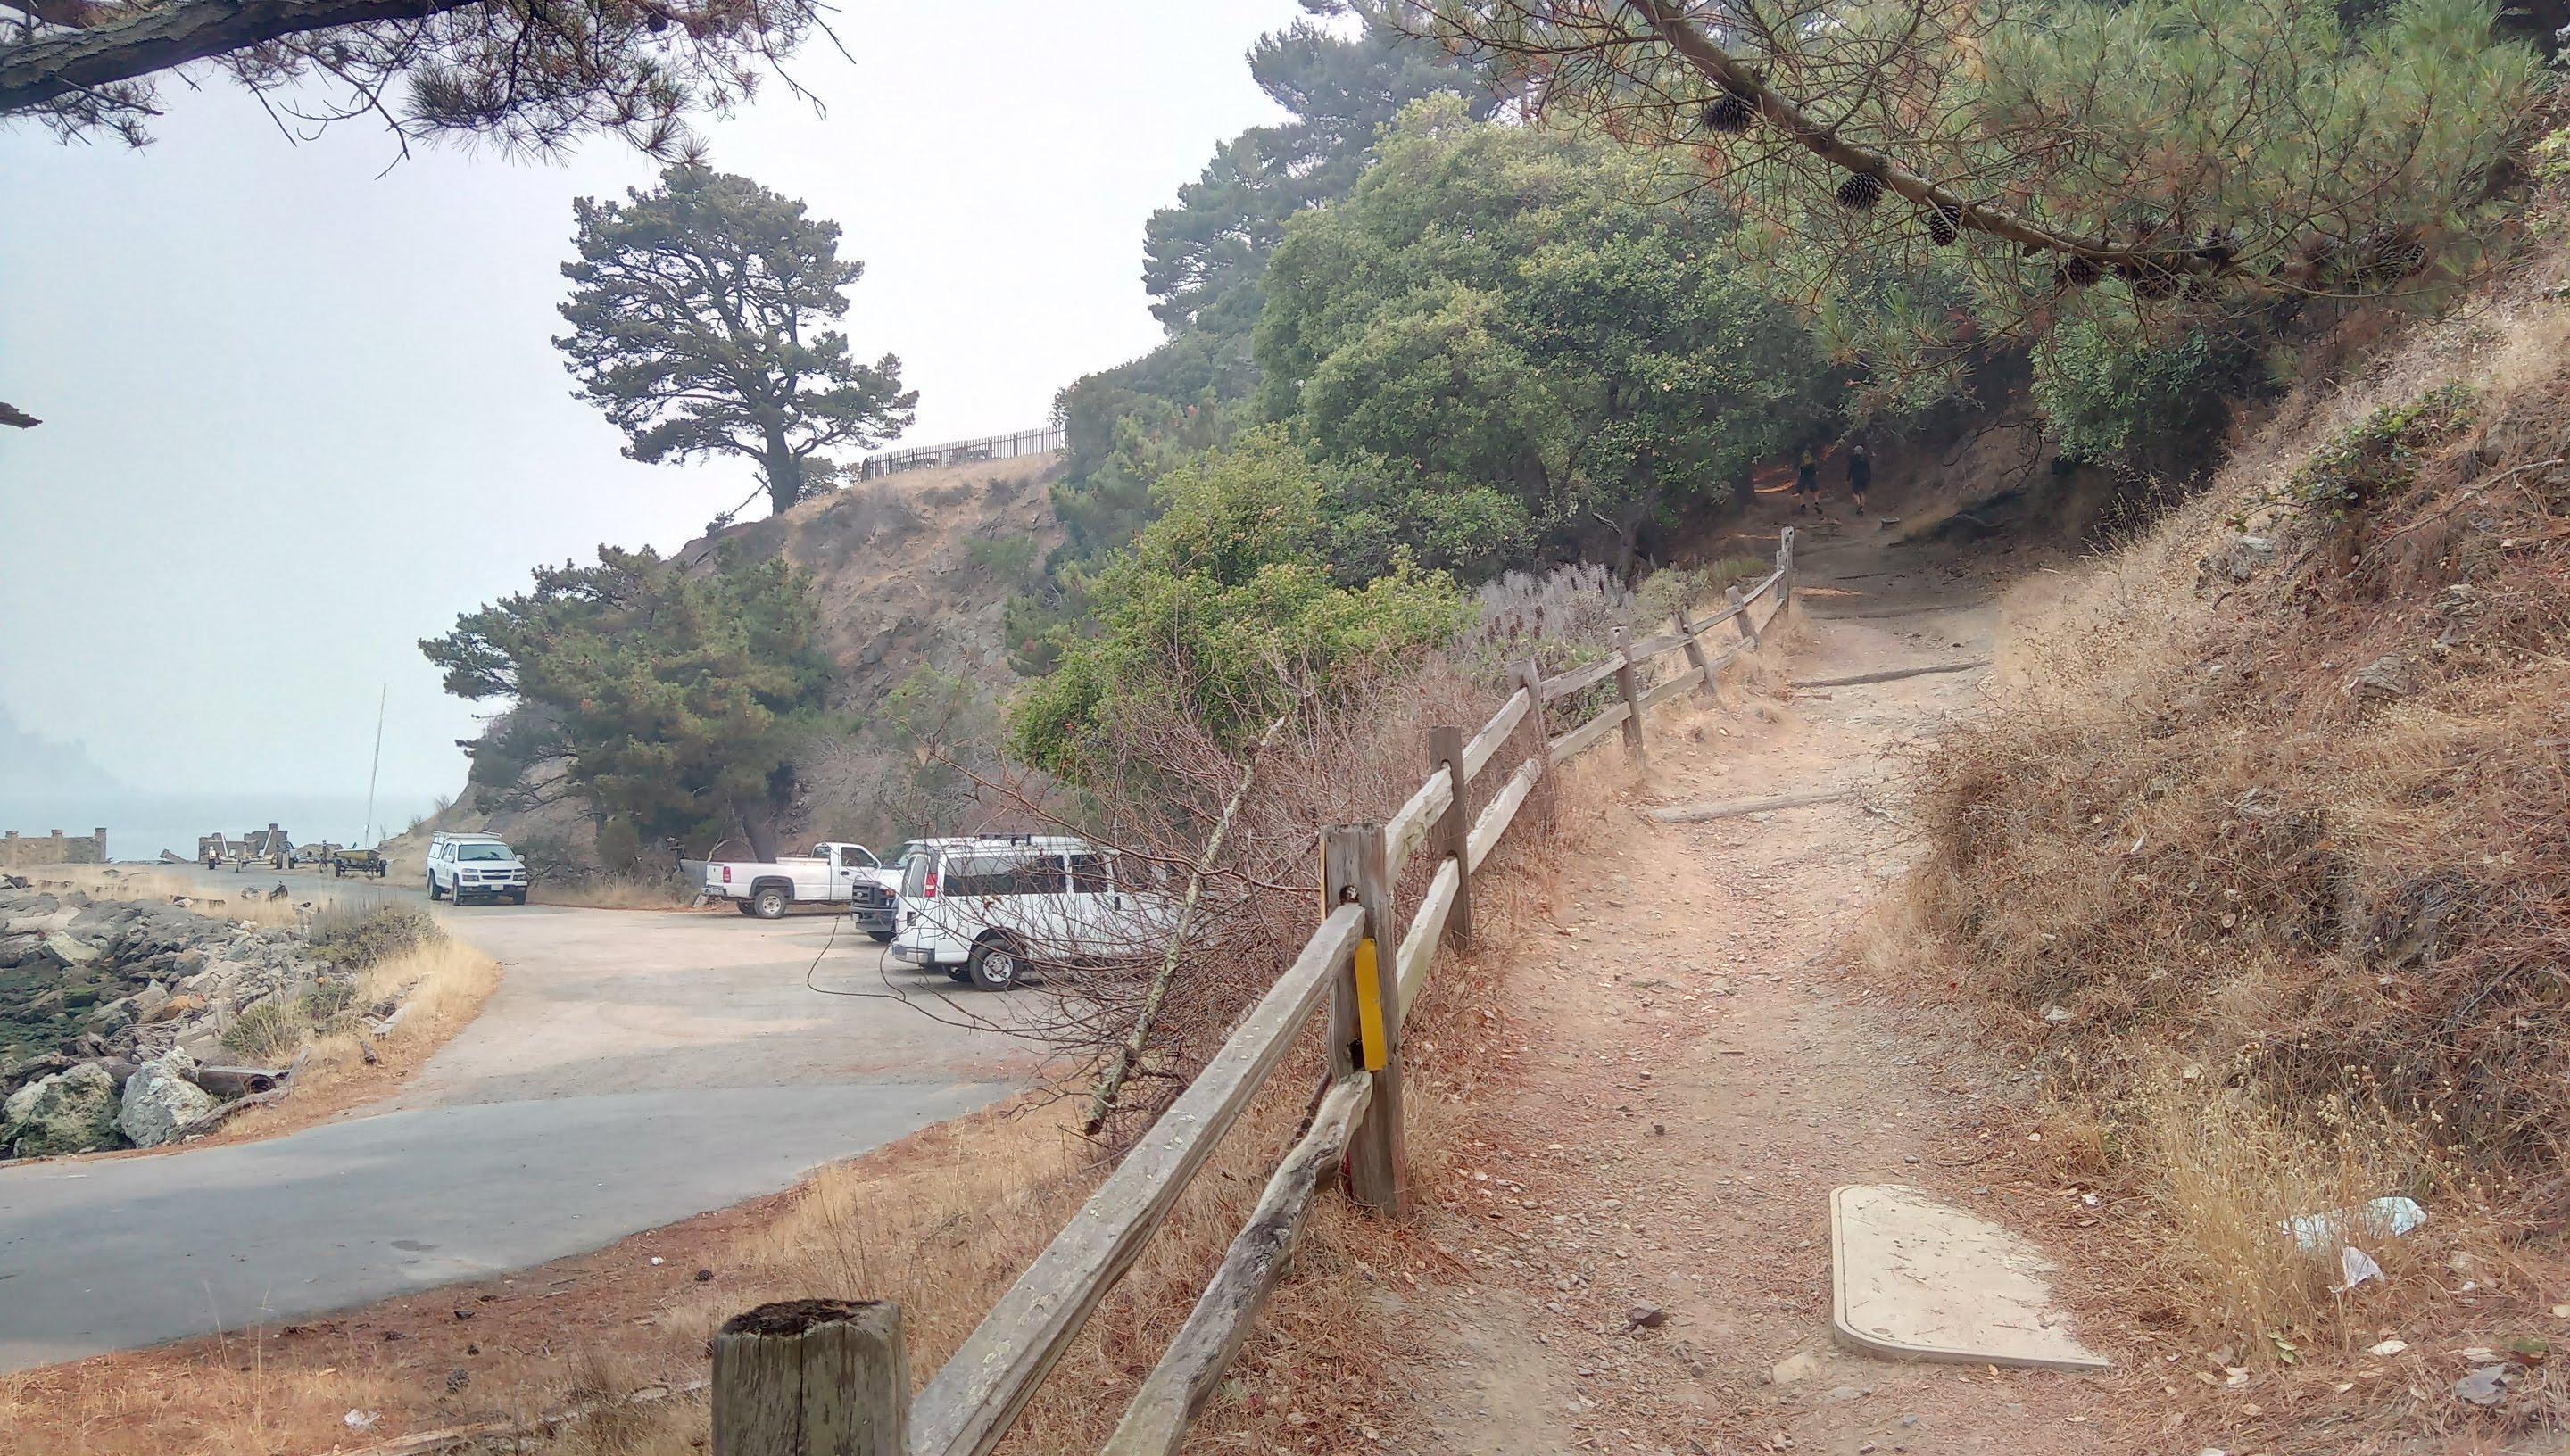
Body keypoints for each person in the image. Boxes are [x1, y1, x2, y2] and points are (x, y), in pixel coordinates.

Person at [1846, 441, 1872, 514]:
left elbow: (1850, 468)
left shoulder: (1853, 458)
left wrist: (1848, 478)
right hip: (1864, 477)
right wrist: (1869, 477)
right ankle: (1862, 509)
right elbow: (1868, 468)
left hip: (1856, 477)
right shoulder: (1865, 458)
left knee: (1855, 493)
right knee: (1862, 493)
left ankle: (1859, 504)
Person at [1795, 446, 1820, 512]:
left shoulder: (1800, 454)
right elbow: (1816, 463)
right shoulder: (1812, 453)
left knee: (1800, 489)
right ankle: (1816, 501)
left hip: (1803, 472)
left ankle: (1803, 503)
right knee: (1815, 488)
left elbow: (1798, 465)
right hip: (1811, 471)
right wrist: (1816, 470)